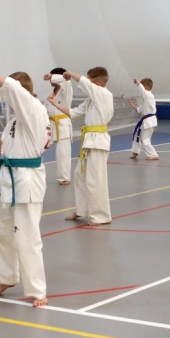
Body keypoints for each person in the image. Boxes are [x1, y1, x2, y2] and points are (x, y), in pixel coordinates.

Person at [0, 72, 50, 307]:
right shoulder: (16, 120)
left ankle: (38, 290)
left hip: (26, 181)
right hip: (9, 181)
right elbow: (6, 152)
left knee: (27, 238)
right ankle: (6, 278)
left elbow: (12, 87)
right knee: (1, 231)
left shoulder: (33, 109)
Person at [48, 67, 114, 225]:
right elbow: (74, 112)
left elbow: (84, 82)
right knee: (80, 175)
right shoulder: (92, 99)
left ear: (96, 84)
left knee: (95, 179)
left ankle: (102, 216)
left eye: (90, 81)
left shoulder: (104, 94)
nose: (87, 84)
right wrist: (55, 103)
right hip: (89, 140)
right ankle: (82, 210)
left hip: (98, 141)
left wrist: (70, 73)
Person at [44, 68, 73, 185]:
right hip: (50, 123)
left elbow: (66, 79)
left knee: (63, 152)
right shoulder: (50, 93)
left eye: (53, 77)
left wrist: (51, 76)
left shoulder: (66, 88)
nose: (50, 80)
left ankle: (64, 177)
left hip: (62, 124)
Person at [128, 78, 159, 160]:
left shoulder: (149, 95)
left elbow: (142, 90)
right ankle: (135, 152)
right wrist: (131, 103)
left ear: (145, 86)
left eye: (142, 86)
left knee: (145, 140)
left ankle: (153, 155)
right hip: (146, 120)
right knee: (137, 136)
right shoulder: (145, 99)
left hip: (149, 121)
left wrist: (138, 82)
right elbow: (139, 110)